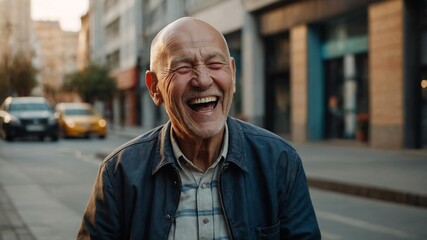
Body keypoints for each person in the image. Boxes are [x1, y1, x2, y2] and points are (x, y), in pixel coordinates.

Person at [77, 17, 321, 239]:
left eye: (215, 64)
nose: (203, 80)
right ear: (154, 87)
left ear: (233, 74)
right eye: (183, 68)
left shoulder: (280, 162)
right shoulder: (118, 173)